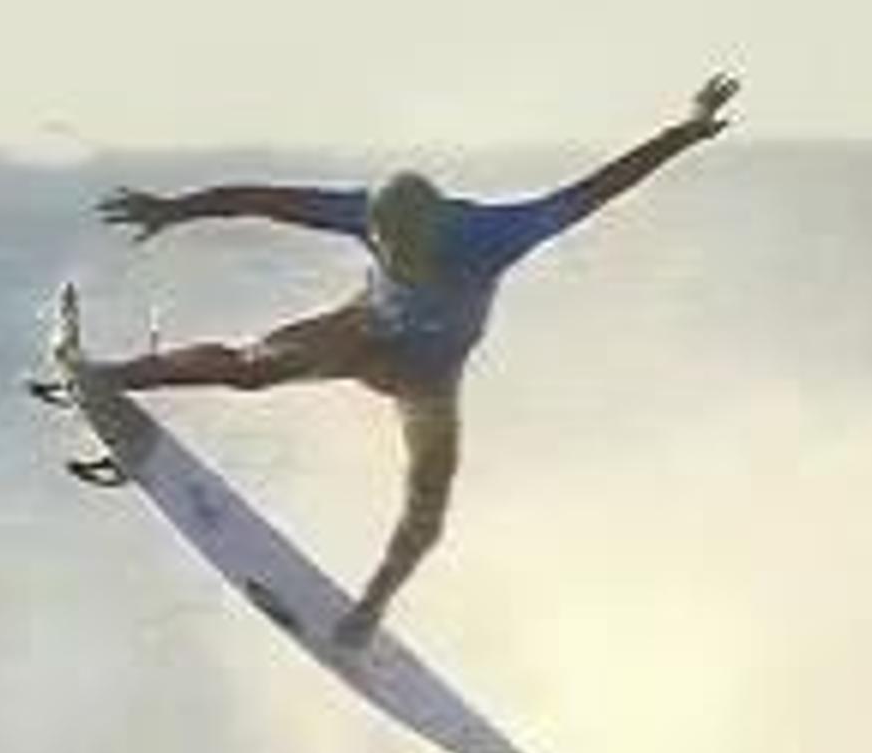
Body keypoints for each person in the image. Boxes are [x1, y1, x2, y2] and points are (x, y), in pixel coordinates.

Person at [79, 73, 739, 643]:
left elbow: (599, 188)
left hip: (427, 376)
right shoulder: (364, 213)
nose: (393, 258)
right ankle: (113, 375)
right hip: (362, 331)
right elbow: (256, 199)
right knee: (252, 368)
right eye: (384, 249)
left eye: (405, 252)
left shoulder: (494, 234)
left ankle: (368, 615)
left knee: (427, 505)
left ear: (437, 229)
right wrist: (174, 210)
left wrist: (687, 130)